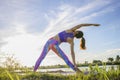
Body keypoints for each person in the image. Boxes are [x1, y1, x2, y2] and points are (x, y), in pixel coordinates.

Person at [34, 23, 100, 72]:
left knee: (41, 57)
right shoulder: (71, 41)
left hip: (49, 41)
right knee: (66, 59)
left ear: (77, 31)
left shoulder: (71, 30)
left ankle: (34, 72)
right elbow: (72, 53)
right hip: (53, 45)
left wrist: (93, 24)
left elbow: (81, 25)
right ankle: (77, 71)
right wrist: (75, 64)